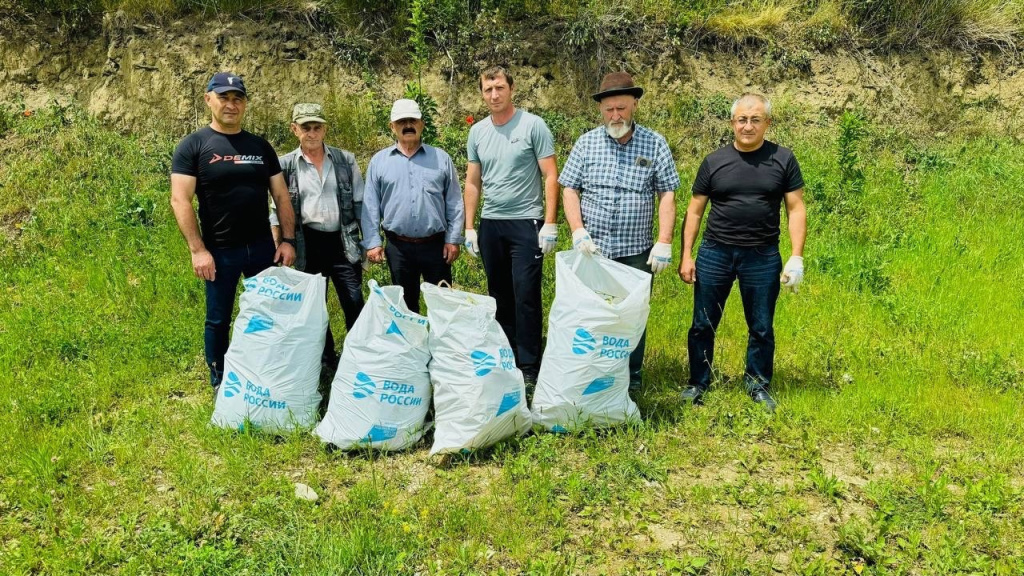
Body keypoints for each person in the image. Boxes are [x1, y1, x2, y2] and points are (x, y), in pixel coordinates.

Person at [678, 93, 807, 412]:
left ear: (767, 123)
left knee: (761, 326)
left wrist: (796, 255)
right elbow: (695, 211)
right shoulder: (714, 161)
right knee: (702, 324)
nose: (748, 126)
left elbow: (796, 208)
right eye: (742, 119)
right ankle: (698, 382)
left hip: (762, 256)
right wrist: (687, 254)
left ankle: (758, 384)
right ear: (732, 123)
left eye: (755, 119)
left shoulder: (783, 159)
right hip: (715, 253)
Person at [170, 72, 296, 392]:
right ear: (208, 99)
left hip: (262, 248)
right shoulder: (193, 146)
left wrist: (287, 241)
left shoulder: (259, 146)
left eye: (237, 98)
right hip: (220, 251)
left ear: (245, 104)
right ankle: (220, 381)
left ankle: (266, 373)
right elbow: (180, 199)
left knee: (269, 314)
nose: (231, 104)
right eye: (223, 97)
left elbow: (281, 196)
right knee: (218, 319)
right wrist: (198, 250)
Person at [559, 71, 680, 392]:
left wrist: (664, 241)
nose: (615, 115)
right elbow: (569, 188)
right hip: (592, 253)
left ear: (634, 105)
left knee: (632, 319)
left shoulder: (655, 144)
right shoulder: (586, 144)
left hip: (636, 254)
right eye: (609, 109)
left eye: (621, 108)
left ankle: (630, 382)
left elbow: (667, 193)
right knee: (589, 317)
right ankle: (588, 377)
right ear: (601, 109)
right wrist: (577, 231)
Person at [463, 66, 559, 385]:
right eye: (488, 89)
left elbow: (550, 176)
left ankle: (530, 365)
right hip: (492, 224)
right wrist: (470, 227)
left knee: (526, 295)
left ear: (511, 89)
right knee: (499, 296)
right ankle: (508, 360)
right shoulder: (477, 132)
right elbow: (473, 182)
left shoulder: (533, 125)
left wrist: (549, 222)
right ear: (482, 93)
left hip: (526, 223)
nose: (494, 94)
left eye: (500, 87)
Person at [271, 103, 365, 369]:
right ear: (294, 129)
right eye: (305, 128)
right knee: (315, 308)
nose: (312, 133)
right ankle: (326, 359)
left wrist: (369, 242)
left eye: (317, 127)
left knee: (354, 300)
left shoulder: (345, 160)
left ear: (324, 129)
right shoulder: (286, 165)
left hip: (342, 241)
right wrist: (280, 244)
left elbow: (360, 204)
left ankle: (358, 357)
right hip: (306, 243)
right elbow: (276, 210)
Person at [360, 98, 464, 314]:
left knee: (443, 304)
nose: (408, 125)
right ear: (392, 126)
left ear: (422, 124)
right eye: (401, 121)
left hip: (435, 246)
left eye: (412, 120)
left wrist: (453, 239)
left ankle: (442, 347)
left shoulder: (441, 158)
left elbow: (454, 202)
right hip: (398, 247)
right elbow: (370, 206)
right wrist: (372, 242)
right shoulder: (379, 162)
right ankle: (413, 346)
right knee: (405, 307)